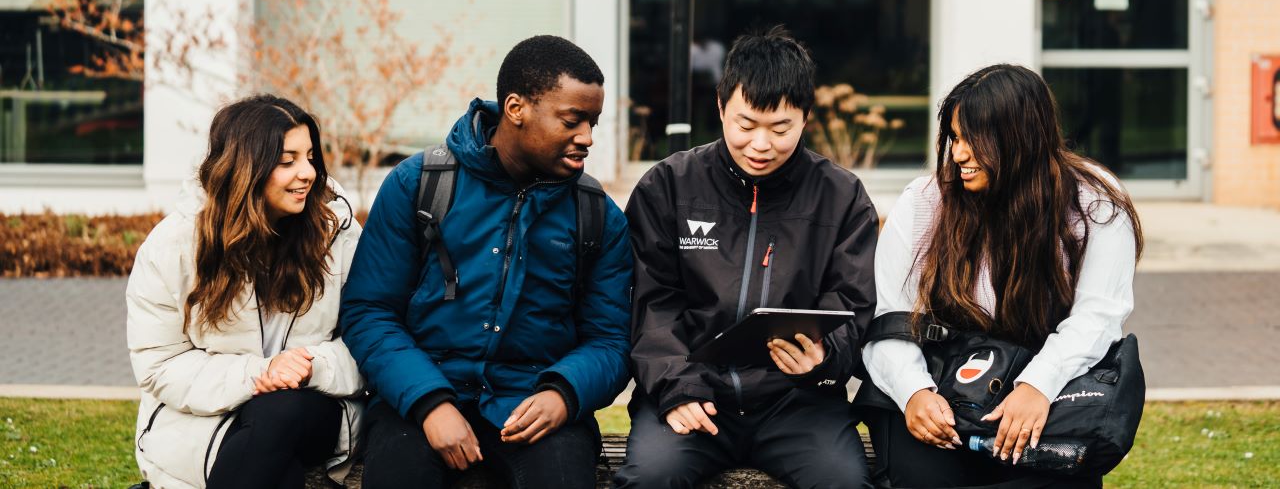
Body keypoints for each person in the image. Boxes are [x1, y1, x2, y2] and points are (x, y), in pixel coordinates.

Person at [340, 35, 633, 489]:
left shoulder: (597, 216)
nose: (587, 139)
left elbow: (611, 340)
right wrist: (429, 403)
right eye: (573, 121)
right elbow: (369, 312)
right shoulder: (418, 185)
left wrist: (563, 394)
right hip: (417, 403)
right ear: (516, 109)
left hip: (538, 407)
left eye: (593, 123)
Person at [616, 26, 878, 489]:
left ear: (805, 118)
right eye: (745, 125)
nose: (761, 144)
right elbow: (649, 305)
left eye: (781, 129)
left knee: (847, 484)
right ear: (720, 107)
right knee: (648, 479)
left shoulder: (840, 196)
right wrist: (678, 389)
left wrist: (824, 356)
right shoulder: (669, 186)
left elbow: (852, 306)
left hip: (798, 404)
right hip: (691, 392)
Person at [860, 64, 1143, 488]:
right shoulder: (923, 203)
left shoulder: (1094, 204)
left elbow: (1097, 316)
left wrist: (1037, 387)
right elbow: (890, 318)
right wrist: (913, 392)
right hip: (938, 394)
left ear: (1021, 138)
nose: (958, 154)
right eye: (955, 137)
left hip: (1044, 394)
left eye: (974, 140)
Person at [126, 95, 364, 489]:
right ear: (245, 168)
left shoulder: (337, 234)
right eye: (287, 161)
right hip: (207, 417)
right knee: (275, 470)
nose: (307, 173)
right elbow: (159, 364)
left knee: (278, 414)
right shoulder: (174, 246)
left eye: (310, 157)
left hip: (313, 405)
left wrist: (310, 366)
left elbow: (369, 334)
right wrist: (260, 373)